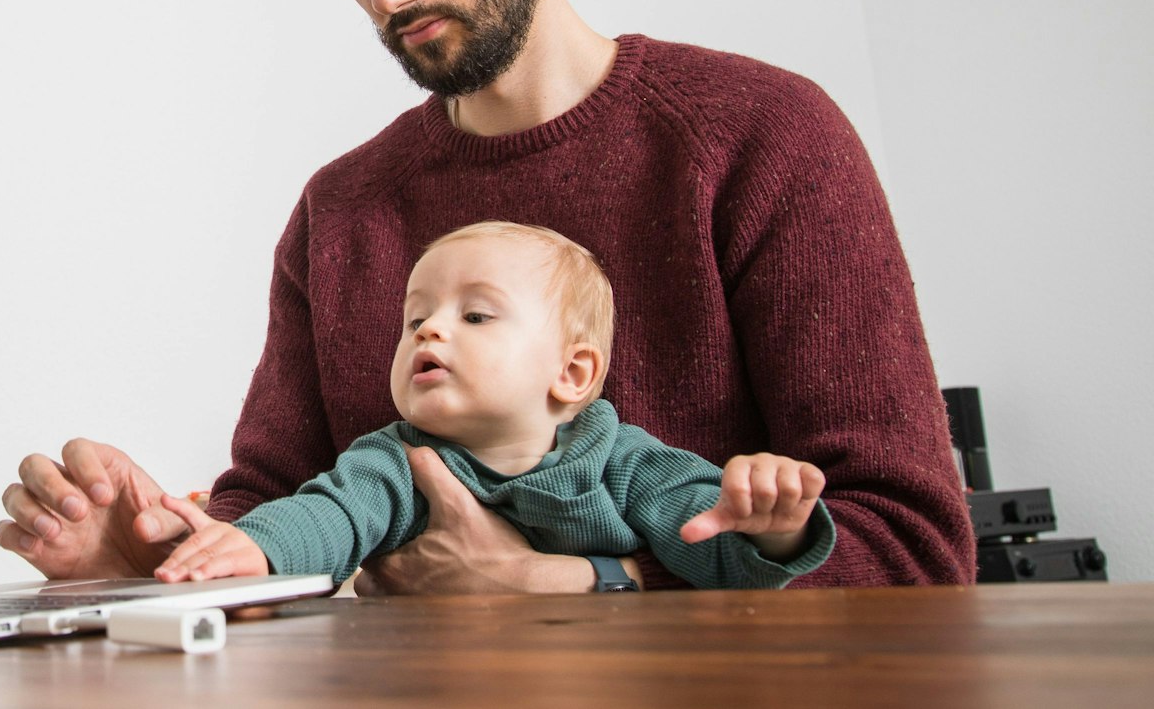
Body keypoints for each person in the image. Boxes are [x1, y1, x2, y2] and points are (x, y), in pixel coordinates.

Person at [0, 0, 973, 591]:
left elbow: (911, 548)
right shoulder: (340, 211)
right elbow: (282, 506)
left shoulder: (760, 135)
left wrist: (584, 587)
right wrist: (170, 563)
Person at [152, 221, 833, 590]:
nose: (429, 329)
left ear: (571, 372)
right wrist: (258, 546)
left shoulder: (623, 458)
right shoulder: (398, 460)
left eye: (475, 315)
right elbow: (333, 515)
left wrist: (773, 525)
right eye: (414, 317)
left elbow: (713, 549)